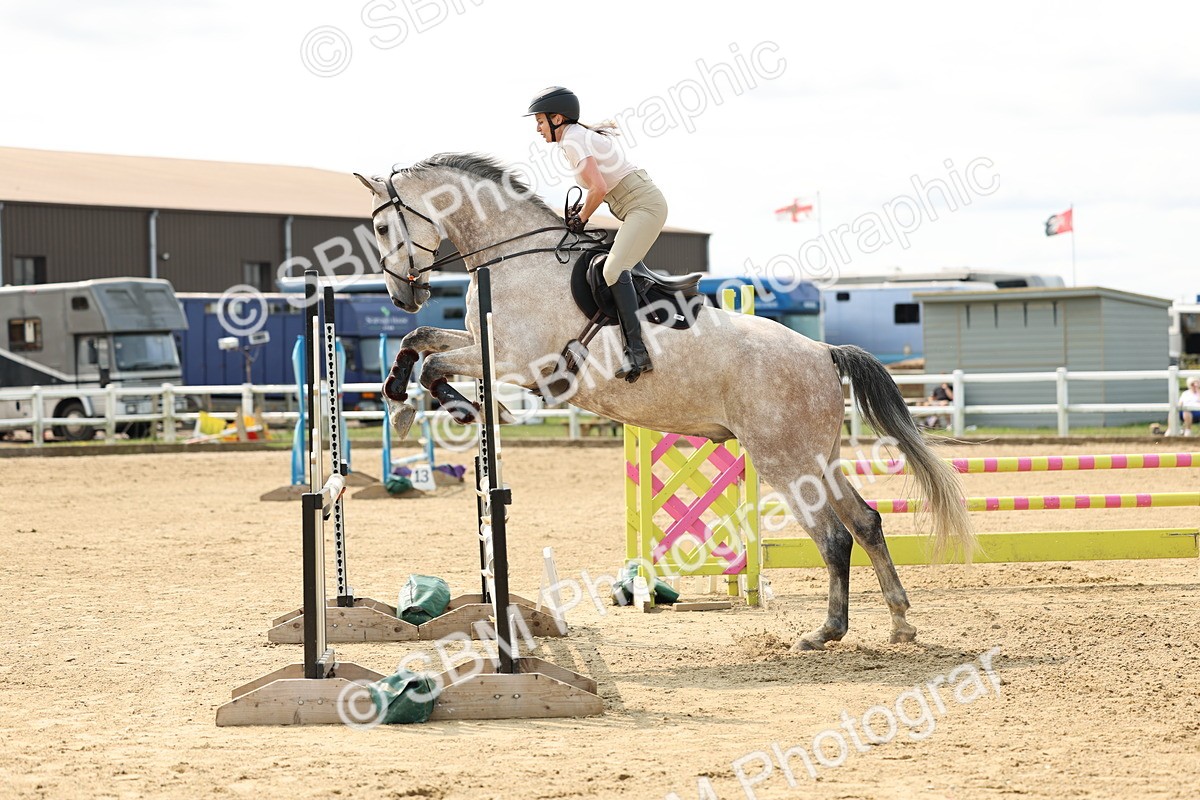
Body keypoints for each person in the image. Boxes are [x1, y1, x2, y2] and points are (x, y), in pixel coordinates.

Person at [525, 86, 667, 383]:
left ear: (557, 118)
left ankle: (637, 352)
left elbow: (599, 189)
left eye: (540, 122)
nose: (538, 129)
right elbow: (601, 188)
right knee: (608, 264)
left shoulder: (572, 139)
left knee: (613, 269)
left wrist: (582, 218)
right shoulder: (575, 137)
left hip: (644, 206)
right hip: (636, 206)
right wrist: (582, 212)